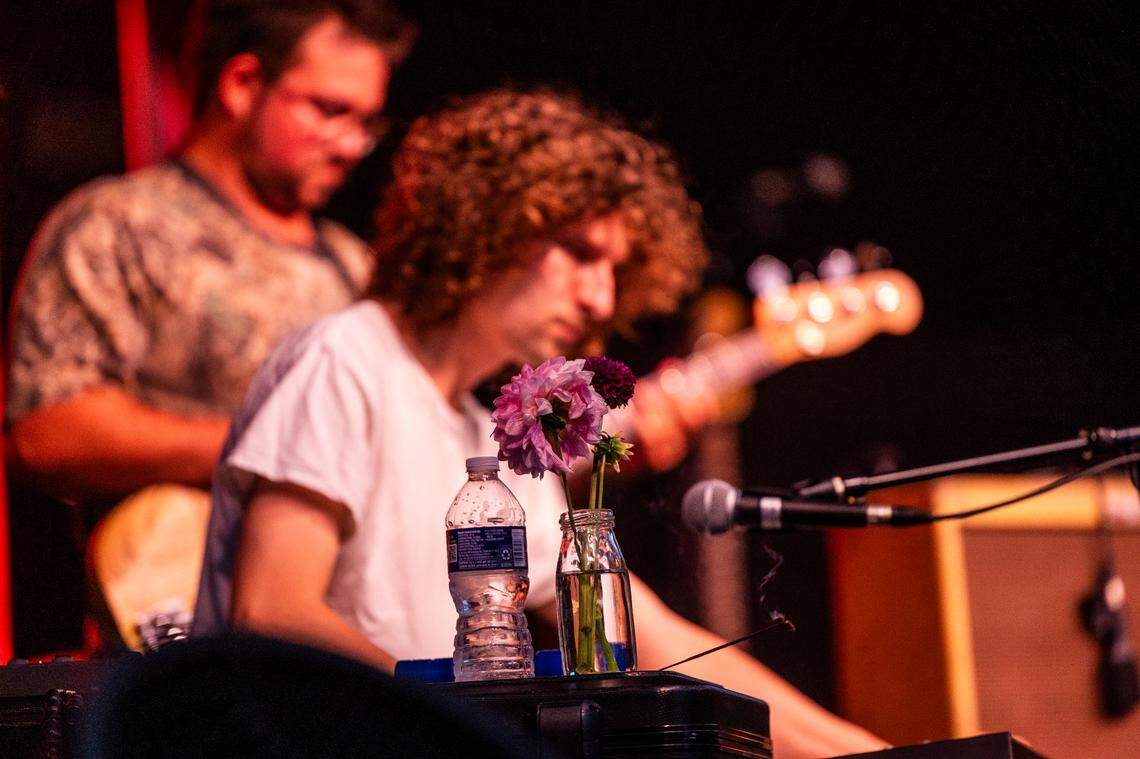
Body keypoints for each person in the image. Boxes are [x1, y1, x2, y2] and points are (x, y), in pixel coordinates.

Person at [193, 89, 887, 758]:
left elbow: (653, 636)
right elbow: (272, 613)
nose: (601, 296)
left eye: (617, 270)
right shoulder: (345, 358)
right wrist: (449, 732)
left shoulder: (491, 440)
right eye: (581, 253)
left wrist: (867, 752)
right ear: (489, 226)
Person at [4, 0, 412, 503]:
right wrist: (274, 443)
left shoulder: (355, 264)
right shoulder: (118, 224)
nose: (351, 145)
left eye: (367, 124)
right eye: (330, 111)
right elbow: (50, 434)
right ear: (241, 83)